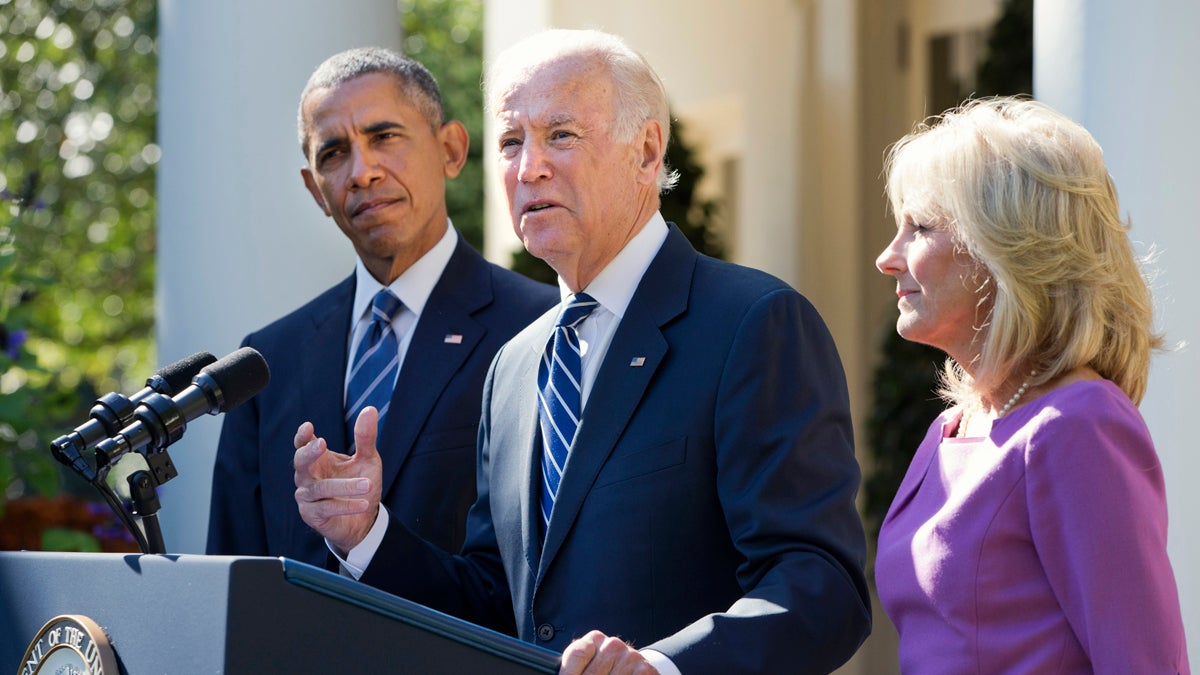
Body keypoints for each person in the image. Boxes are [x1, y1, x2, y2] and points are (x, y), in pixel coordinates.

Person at [293, 29, 870, 675]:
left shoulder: (751, 322)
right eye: (512, 141)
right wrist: (366, 532)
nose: (527, 166)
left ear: (647, 150)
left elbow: (821, 586)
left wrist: (662, 667)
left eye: (560, 135)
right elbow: (496, 606)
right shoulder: (512, 366)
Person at [206, 47, 558, 566]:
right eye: (333, 154)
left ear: (451, 150)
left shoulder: (540, 327)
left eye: (384, 137)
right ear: (316, 191)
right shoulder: (265, 363)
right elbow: (234, 574)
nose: (362, 171)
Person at [874, 96, 1190, 673]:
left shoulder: (1079, 424)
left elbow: (1143, 661)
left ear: (1005, 250)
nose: (887, 258)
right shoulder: (949, 428)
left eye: (918, 227)